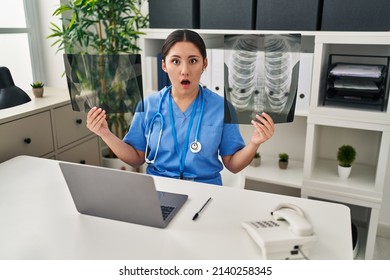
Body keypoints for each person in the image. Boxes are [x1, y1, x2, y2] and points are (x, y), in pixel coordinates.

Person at [87, 29, 275, 185]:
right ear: (164, 65)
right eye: (175, 61)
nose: (184, 70)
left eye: (193, 60)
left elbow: (233, 164)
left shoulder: (222, 107)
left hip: (206, 191)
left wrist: (254, 143)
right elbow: (136, 157)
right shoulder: (149, 105)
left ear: (204, 63)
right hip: (159, 187)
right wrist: (106, 133)